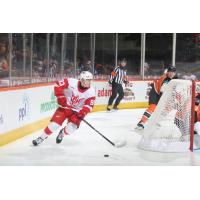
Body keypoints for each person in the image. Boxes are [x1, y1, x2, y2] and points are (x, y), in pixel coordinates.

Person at [32, 71, 95, 146]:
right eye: (87, 80)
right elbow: (57, 84)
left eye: (90, 80)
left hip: (77, 112)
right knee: (54, 125)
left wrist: (83, 113)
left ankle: (62, 133)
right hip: (64, 108)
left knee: (70, 129)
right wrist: (60, 97)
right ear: (82, 80)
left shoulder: (91, 91)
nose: (89, 82)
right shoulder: (72, 82)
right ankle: (41, 138)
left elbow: (89, 105)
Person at [135, 65, 177, 130]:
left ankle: (155, 122)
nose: (172, 73)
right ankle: (141, 123)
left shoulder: (172, 79)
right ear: (167, 72)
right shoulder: (166, 79)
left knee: (167, 107)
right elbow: (162, 91)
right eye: (170, 72)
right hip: (155, 92)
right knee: (153, 107)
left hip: (160, 93)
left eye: (173, 72)